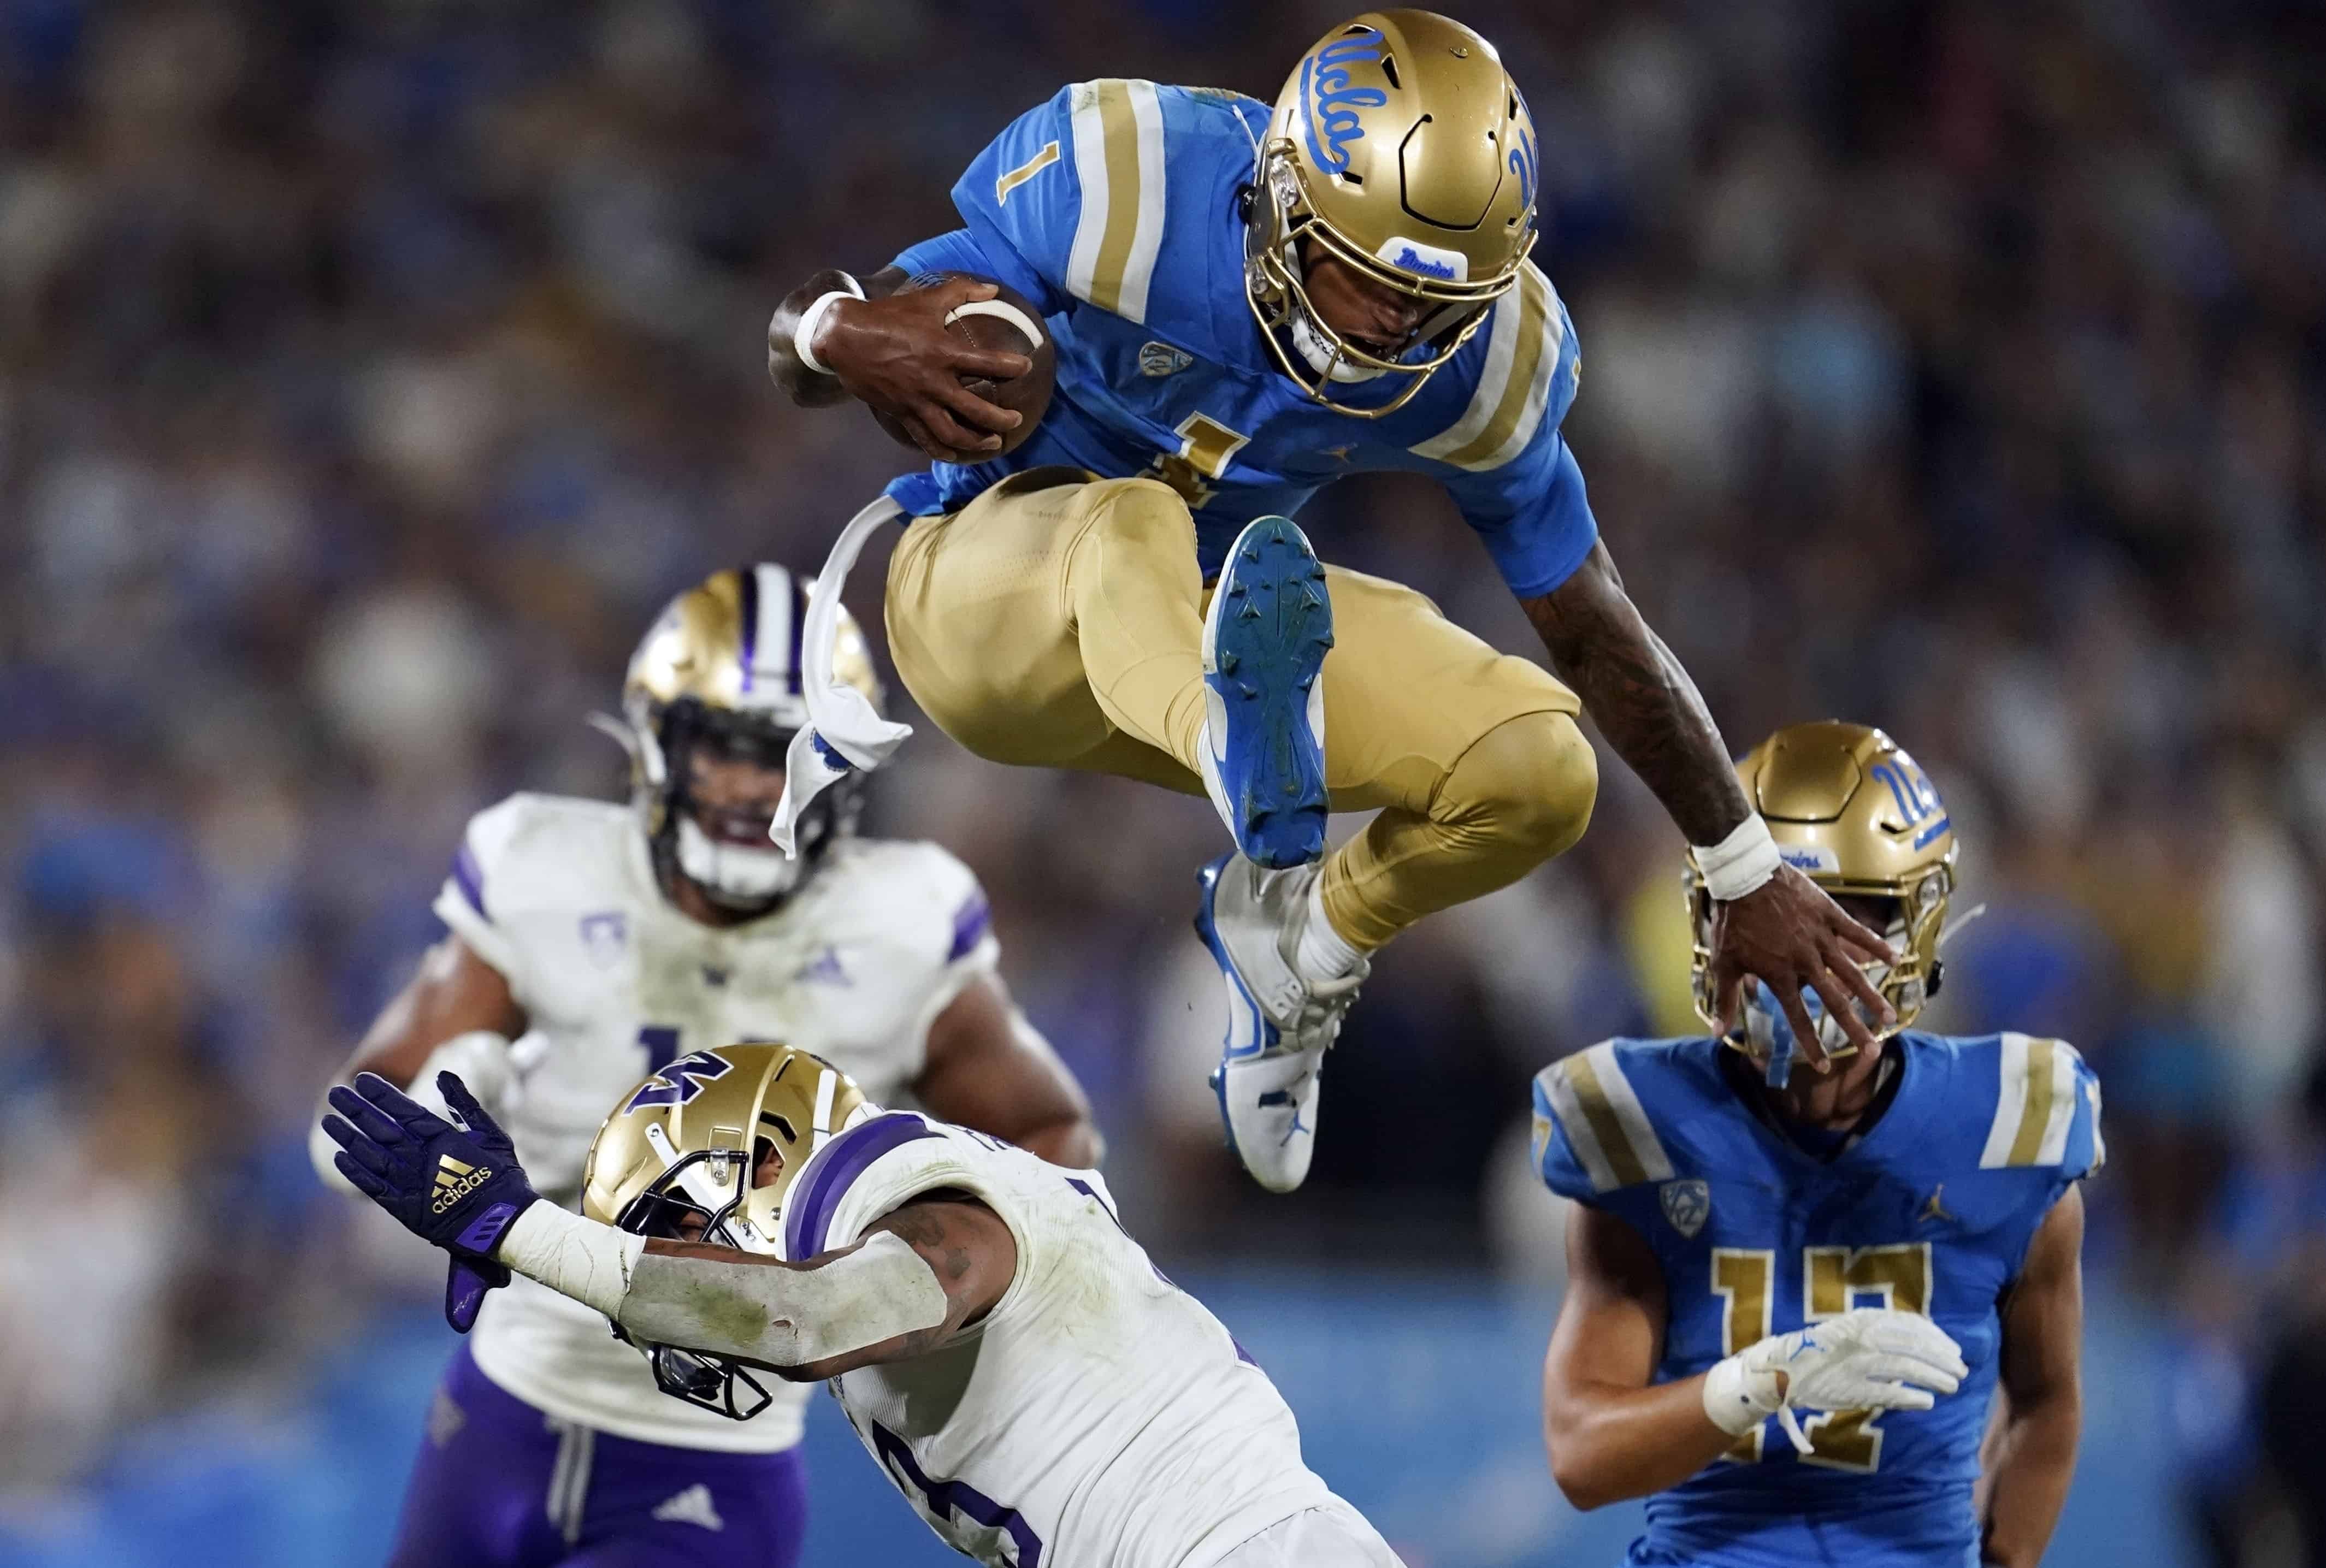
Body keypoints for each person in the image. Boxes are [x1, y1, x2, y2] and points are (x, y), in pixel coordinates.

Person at [759, 10, 1893, 1194]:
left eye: (1427, 298)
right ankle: (1241, 754)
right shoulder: (1130, 179)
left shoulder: (1485, 360)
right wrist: (840, 332)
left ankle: (1300, 944)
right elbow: (822, 327)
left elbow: (1591, 621)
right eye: (1360, 274)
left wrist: (1742, 865)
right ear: (1279, 197)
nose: (1390, 323)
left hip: (1212, 620)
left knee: (1538, 770)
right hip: (990, 608)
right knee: (1131, 518)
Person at [308, 565, 1100, 1568]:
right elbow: (348, 1129)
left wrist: (905, 1270)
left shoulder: (900, 921)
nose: (757, 787)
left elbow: (1045, 1138)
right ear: (656, 743)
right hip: (500, 1404)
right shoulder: (544, 867)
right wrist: (457, 1088)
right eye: (727, 748)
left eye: (794, 755)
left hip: (715, 1450)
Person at [322, 1042, 1406, 1568]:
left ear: (758, 1156)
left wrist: (521, 1231)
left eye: (668, 1227)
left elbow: (809, 1313)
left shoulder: (864, 1172)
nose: (663, 1278)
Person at [1532, 721, 2096, 1567]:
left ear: (1915, 930)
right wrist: (1763, 1382)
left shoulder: (2009, 1128)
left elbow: (2045, 1405)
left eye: (1842, 918)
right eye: (1760, 918)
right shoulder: (1646, 1125)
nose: (1793, 955)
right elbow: (1580, 1452)